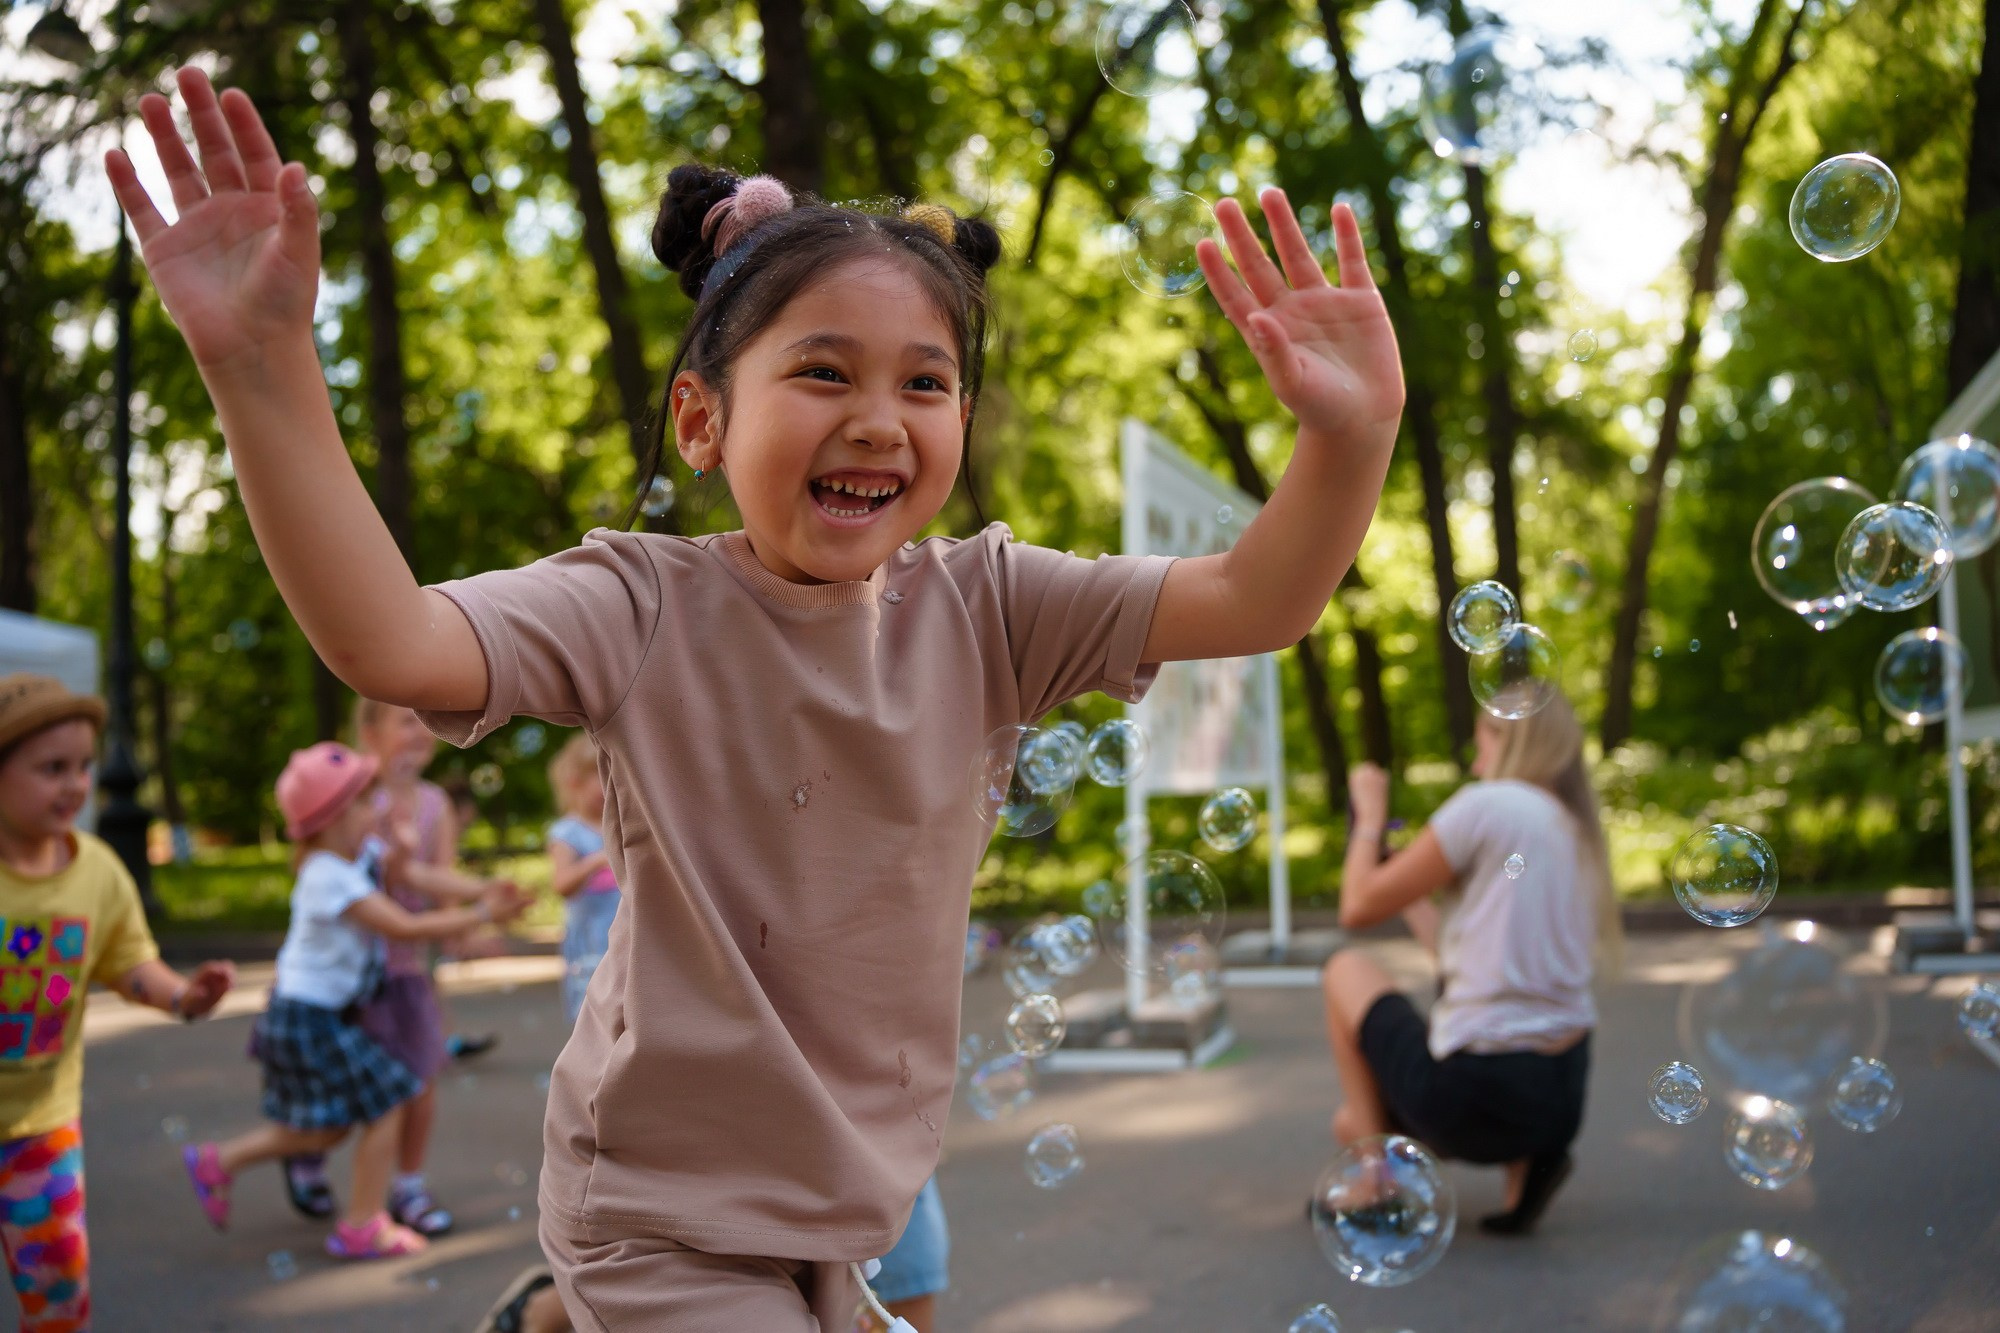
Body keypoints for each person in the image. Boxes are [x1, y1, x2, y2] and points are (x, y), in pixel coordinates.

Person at [110, 67, 1403, 1329]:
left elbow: (1258, 597)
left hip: (847, 1208)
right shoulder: (638, 604)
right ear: (699, 420)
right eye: (825, 373)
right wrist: (262, 369)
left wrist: (1349, 438)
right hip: (660, 1210)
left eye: (926, 381)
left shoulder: (994, 607)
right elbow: (392, 641)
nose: (880, 419)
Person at [181, 742, 525, 1259]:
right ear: (331, 818)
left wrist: (480, 889)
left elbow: (414, 876)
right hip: (306, 1017)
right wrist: (482, 915)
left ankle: (217, 1162)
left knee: (326, 1129)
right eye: (365, 801)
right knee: (389, 1100)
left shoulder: (356, 855)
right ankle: (362, 1226)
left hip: (312, 1014)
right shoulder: (327, 876)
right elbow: (405, 925)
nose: (378, 809)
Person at [1319, 687, 1620, 1236]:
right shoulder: (1572, 829)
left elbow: (1357, 907)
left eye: (1481, 739)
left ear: (1509, 738)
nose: (1476, 758)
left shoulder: (1487, 805)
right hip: (1559, 1100)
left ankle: (1373, 1183)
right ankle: (1527, 1166)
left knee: (1344, 970)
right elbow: (1470, 949)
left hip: (1472, 1097)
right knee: (1351, 1122)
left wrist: (1369, 818)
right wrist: (1409, 889)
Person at [0, 673, 235, 1331]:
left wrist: (185, 996)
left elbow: (130, 962)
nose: (75, 785)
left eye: (82, 767)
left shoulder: (97, 870)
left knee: (59, 1301)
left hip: (39, 1131)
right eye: (51, 768)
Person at [276, 699, 510, 1233]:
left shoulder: (433, 804)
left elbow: (434, 880)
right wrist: (475, 907)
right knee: (346, 1083)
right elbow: (384, 881)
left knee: (420, 1077)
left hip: (406, 970)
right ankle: (308, 1153)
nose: (422, 731)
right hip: (355, 973)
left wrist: (469, 923)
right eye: (407, 720)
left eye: (429, 719)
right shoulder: (354, 800)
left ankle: (408, 1187)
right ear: (369, 731)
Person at [546, 734, 620, 1024]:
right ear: (575, 782)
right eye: (603, 777)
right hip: (590, 941)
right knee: (594, 1013)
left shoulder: (618, 824)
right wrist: (595, 861)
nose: (612, 785)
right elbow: (561, 884)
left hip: (621, 933)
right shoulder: (567, 833)